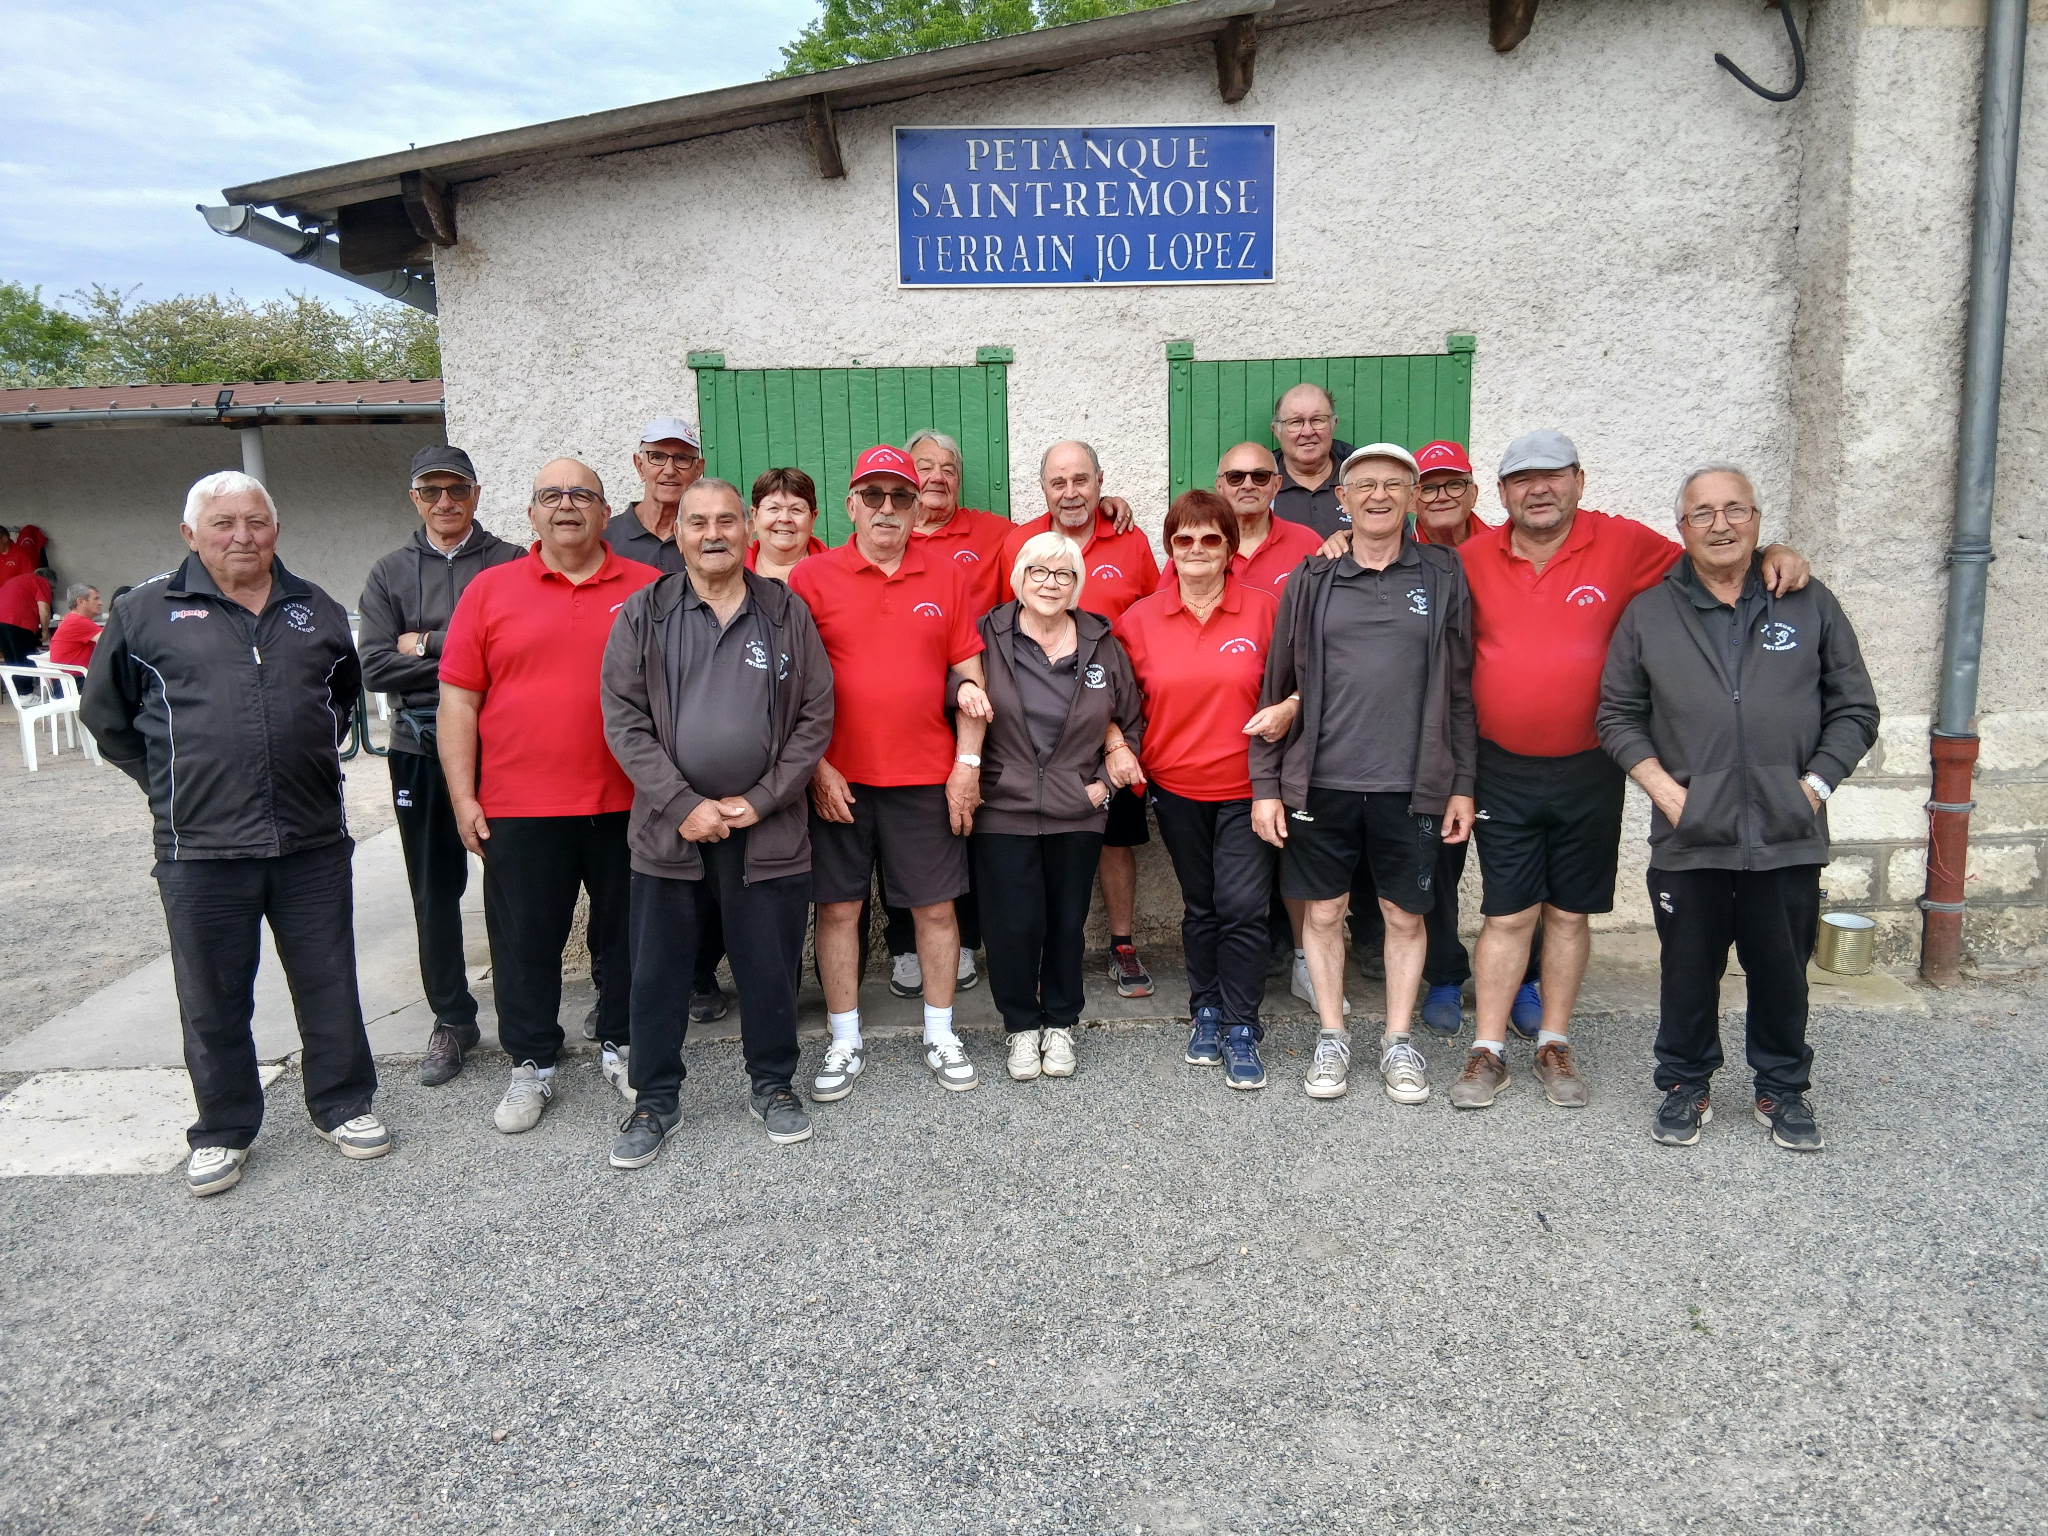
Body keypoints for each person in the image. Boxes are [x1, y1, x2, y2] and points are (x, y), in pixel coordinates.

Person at [1448, 429, 1811, 1112]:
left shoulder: (1623, 544)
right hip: (1501, 767)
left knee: (1569, 909)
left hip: (1593, 763)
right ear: (1501, 494)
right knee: (1507, 910)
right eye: (1523, 479)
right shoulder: (1471, 559)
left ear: (1580, 480)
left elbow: (1711, 553)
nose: (1540, 489)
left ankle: (1554, 1041)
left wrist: (1774, 552)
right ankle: (1488, 1049)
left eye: (1553, 475)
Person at [80, 471, 387, 1196]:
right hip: (201, 849)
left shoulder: (316, 608)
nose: (242, 536)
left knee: (329, 980)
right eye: (223, 523)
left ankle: (342, 1103)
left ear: (275, 529)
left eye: (256, 521)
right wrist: (171, 789)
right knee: (214, 993)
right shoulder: (145, 611)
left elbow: (340, 698)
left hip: (311, 840)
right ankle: (223, 1128)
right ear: (191, 534)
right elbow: (108, 719)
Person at [1598, 465, 1876, 1152]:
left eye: (1735, 510)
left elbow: (1855, 709)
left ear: (1757, 519)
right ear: (1681, 527)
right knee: (1687, 968)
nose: (1720, 524)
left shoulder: (1808, 603)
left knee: (1781, 969)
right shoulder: (1650, 613)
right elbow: (1617, 716)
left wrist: (1813, 789)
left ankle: (1781, 1088)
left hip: (1787, 833)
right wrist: (1666, 792)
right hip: (1691, 834)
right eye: (1703, 513)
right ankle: (1684, 1083)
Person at [600, 477, 835, 1165]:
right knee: (659, 973)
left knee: (769, 968)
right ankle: (655, 1100)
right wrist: (684, 805)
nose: (713, 534)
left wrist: (761, 799)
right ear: (678, 532)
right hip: (670, 833)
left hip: (768, 830)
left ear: (748, 530)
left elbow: (816, 714)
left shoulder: (786, 610)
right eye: (698, 521)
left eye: (727, 521)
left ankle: (773, 1084)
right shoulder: (643, 613)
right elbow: (624, 720)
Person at [437, 458, 660, 1133]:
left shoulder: (650, 587)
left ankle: (624, 1045)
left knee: (628, 937)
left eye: (582, 495)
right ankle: (531, 1064)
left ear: (604, 512)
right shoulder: (488, 590)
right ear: (531, 513)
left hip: (629, 801)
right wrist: (462, 797)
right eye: (552, 495)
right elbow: (457, 702)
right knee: (525, 943)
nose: (568, 505)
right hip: (520, 805)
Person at [1249, 445, 1476, 1105]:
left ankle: (1398, 1040)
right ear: (1341, 501)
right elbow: (1278, 687)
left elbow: (1461, 689)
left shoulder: (1442, 574)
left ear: (1410, 499)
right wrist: (1268, 785)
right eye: (1364, 486)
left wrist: (1462, 782)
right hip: (1325, 779)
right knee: (1323, 911)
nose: (1378, 496)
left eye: (1392, 486)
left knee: (1405, 915)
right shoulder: (1312, 580)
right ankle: (1331, 1034)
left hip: (1414, 781)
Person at [790, 445, 992, 1098]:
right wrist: (817, 767)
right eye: (872, 496)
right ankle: (845, 1041)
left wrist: (967, 764)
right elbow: (788, 692)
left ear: (916, 507)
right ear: (850, 506)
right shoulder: (812, 580)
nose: (886, 508)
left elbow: (969, 676)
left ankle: (940, 1030)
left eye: (899, 497)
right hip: (839, 782)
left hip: (925, 779)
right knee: (839, 909)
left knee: (936, 911)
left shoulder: (946, 577)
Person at [356, 445, 519, 1086]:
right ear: (415, 499)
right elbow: (373, 664)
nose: (445, 502)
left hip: (503, 747)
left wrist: (426, 641)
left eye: (456, 489)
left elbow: (515, 652)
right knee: (434, 889)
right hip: (419, 748)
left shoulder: (509, 562)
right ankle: (452, 1016)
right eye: (432, 492)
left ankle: (520, 1013)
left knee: (511, 885)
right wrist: (467, 650)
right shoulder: (389, 572)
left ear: (476, 494)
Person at [1116, 490, 1284, 1090]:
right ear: (1169, 548)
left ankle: (1242, 1024)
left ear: (1230, 548)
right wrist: (1116, 744)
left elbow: (1309, 679)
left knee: (1242, 907)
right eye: (1184, 540)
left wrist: (1289, 706)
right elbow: (1106, 697)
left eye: (1211, 538)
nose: (1197, 550)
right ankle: (1205, 1010)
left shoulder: (1267, 609)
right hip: (1177, 788)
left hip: (1249, 785)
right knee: (1202, 906)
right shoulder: (1139, 618)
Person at [965, 531, 1144, 1081]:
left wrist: (1106, 786)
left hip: (1078, 807)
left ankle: (1061, 1023)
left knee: (1066, 923)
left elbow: (1132, 719)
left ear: (1077, 585)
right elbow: (954, 696)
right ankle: (1021, 1027)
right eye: (1039, 571)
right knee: (1012, 924)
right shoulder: (987, 636)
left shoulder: (1101, 643)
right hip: (1003, 805)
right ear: (1019, 578)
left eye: (1063, 574)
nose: (1050, 583)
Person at [1003, 441, 1162, 999]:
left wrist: (1123, 728)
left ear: (1099, 482)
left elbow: (1155, 614)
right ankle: (1040, 963)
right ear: (1042, 487)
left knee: (1116, 839)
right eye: (1058, 482)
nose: (1070, 492)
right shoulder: (1019, 542)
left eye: (1081, 481)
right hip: (1040, 734)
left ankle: (1122, 943)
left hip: (1112, 715)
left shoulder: (1132, 539)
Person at [603, 417, 702, 575]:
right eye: (657, 457)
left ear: (698, 470)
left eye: (681, 459)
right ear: (640, 466)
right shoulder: (603, 538)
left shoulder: (706, 538)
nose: (669, 470)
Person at [1269, 384, 1355, 538]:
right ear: (1276, 431)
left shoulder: (1363, 483)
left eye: (1317, 420)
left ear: (1333, 424)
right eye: (1295, 422)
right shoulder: (1260, 486)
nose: (1308, 432)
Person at [746, 466, 828, 580]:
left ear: (812, 518)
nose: (784, 518)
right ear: (755, 515)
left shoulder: (838, 571)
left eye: (796, 509)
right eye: (773, 508)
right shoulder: (730, 570)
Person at [0, 565, 51, 665]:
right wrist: (45, 631)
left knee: (11, 661)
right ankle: (25, 681)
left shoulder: (15, 580)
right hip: (18, 622)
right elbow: (44, 609)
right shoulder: (42, 581)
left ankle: (13, 681)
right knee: (24, 661)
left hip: (1, 621)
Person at [46, 584, 103, 670]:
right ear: (80, 601)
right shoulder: (77, 621)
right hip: (76, 679)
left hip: (70, 678)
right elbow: (110, 640)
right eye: (96, 599)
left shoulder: (72, 618)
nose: (100, 603)